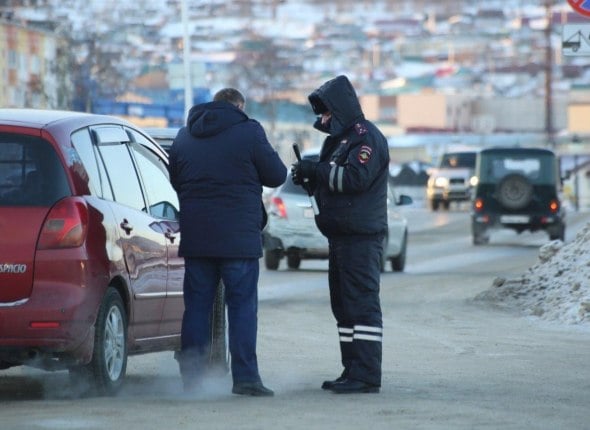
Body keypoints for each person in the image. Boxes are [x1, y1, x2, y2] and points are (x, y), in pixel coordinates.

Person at [168, 88, 287, 397]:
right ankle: (246, 379)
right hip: (238, 239)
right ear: (238, 106)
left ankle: (192, 378)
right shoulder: (248, 131)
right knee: (242, 307)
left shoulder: (184, 137)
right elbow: (276, 175)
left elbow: (176, 180)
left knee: (196, 308)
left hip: (198, 238)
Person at [291, 75, 389, 394]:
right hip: (342, 237)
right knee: (344, 306)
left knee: (361, 306)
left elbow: (355, 179)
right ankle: (352, 369)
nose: (322, 120)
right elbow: (331, 179)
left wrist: (316, 172)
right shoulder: (339, 140)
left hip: (361, 237)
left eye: (326, 113)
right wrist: (311, 180)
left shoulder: (365, 138)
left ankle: (367, 375)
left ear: (339, 110)